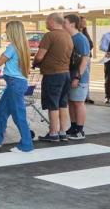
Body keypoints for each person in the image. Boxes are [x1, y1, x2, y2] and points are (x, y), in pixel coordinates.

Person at [0, 20, 34, 153]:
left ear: (12, 32)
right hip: (17, 83)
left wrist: (2, 54)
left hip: (14, 84)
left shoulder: (12, 47)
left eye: (7, 30)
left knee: (18, 115)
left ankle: (26, 145)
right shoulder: (23, 47)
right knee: (1, 111)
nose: (5, 32)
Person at [34, 13, 74, 142]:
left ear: (52, 21)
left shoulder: (49, 36)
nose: (46, 24)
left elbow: (40, 56)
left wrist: (35, 63)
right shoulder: (68, 36)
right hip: (65, 73)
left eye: (47, 21)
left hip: (52, 74)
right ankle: (62, 131)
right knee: (63, 103)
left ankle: (53, 133)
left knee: (53, 104)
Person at [64, 14, 91, 140]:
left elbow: (85, 59)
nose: (63, 24)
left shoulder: (80, 38)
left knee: (78, 103)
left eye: (65, 22)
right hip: (70, 75)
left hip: (79, 77)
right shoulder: (70, 37)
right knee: (71, 102)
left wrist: (77, 77)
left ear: (72, 24)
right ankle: (73, 126)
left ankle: (80, 130)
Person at [78, 16, 95, 105]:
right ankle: (83, 96)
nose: (85, 23)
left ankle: (87, 96)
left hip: (88, 57)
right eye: (83, 21)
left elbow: (91, 44)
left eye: (85, 22)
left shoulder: (85, 33)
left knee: (86, 77)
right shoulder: (77, 34)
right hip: (82, 58)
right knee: (82, 77)